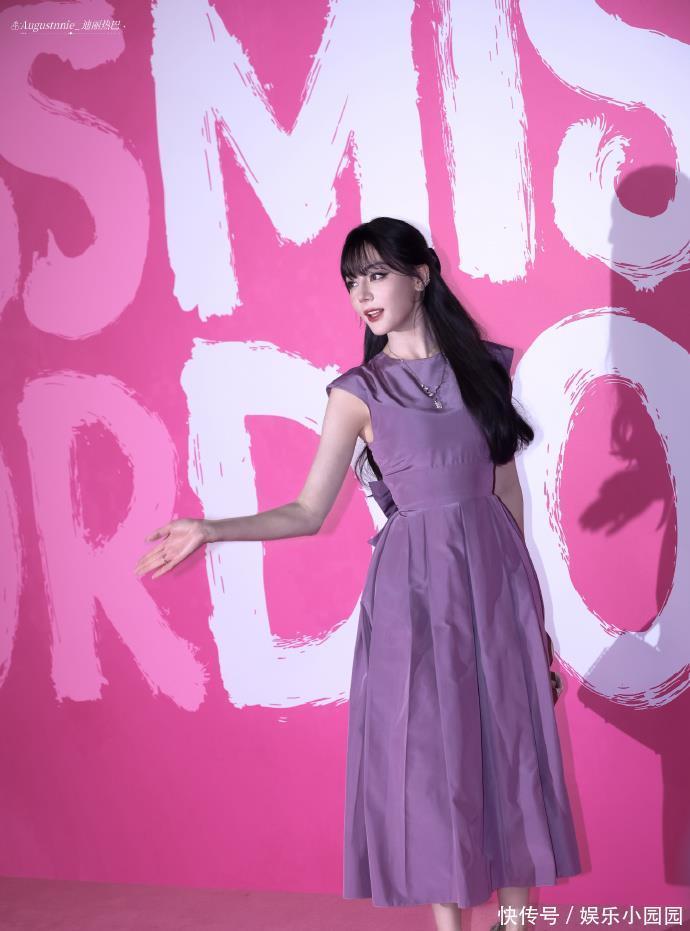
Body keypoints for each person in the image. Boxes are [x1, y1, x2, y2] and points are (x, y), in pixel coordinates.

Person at [134, 217, 582, 931]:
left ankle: (517, 924)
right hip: (415, 593)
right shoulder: (356, 393)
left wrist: (530, 607)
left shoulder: (485, 369)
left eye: (376, 274)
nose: (363, 294)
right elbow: (308, 510)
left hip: (496, 581)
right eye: (352, 281)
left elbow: (505, 490)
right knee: (435, 760)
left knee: (512, 746)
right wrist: (212, 528)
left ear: (420, 276)